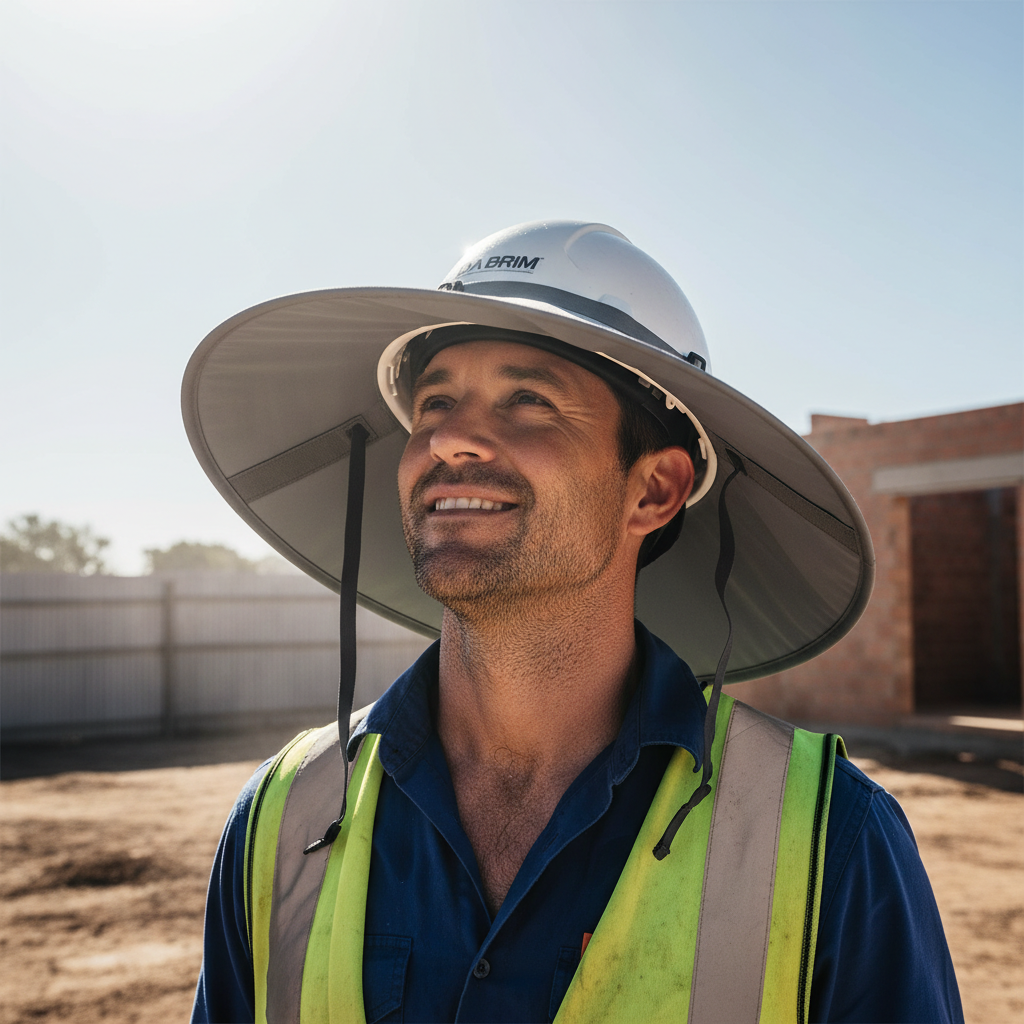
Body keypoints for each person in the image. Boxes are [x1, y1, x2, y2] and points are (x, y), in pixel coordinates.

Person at [184, 221, 963, 1023]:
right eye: (436, 402)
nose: (448, 438)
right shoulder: (280, 820)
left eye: (528, 400)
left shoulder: (833, 842)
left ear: (655, 490)